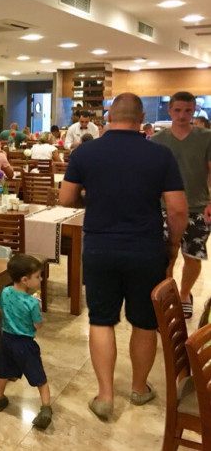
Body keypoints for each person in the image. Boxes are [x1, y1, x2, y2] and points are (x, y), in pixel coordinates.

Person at [59, 93, 188, 420]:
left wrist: (94, 198)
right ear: (141, 118)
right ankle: (139, 388)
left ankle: (105, 395)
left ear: (109, 117)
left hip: (99, 247)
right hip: (145, 249)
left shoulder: (85, 152)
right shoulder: (160, 154)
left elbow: (66, 198)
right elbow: (177, 209)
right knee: (144, 322)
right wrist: (172, 245)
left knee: (101, 320)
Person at [151, 91, 211, 318]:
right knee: (166, 255)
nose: (182, 115)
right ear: (169, 111)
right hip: (163, 206)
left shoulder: (206, 137)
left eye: (187, 110)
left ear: (195, 110)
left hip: (197, 205)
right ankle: (167, 295)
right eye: (177, 110)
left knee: (193, 255)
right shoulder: (157, 140)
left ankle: (185, 294)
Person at [0, 254, 52, 430]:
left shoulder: (5, 292)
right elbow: (37, 325)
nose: (41, 280)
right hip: (25, 344)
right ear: (25, 280)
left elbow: (0, 310)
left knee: (2, 372)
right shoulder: (31, 303)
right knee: (40, 378)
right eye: (38, 276)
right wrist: (37, 307)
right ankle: (46, 408)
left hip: (7, 340)